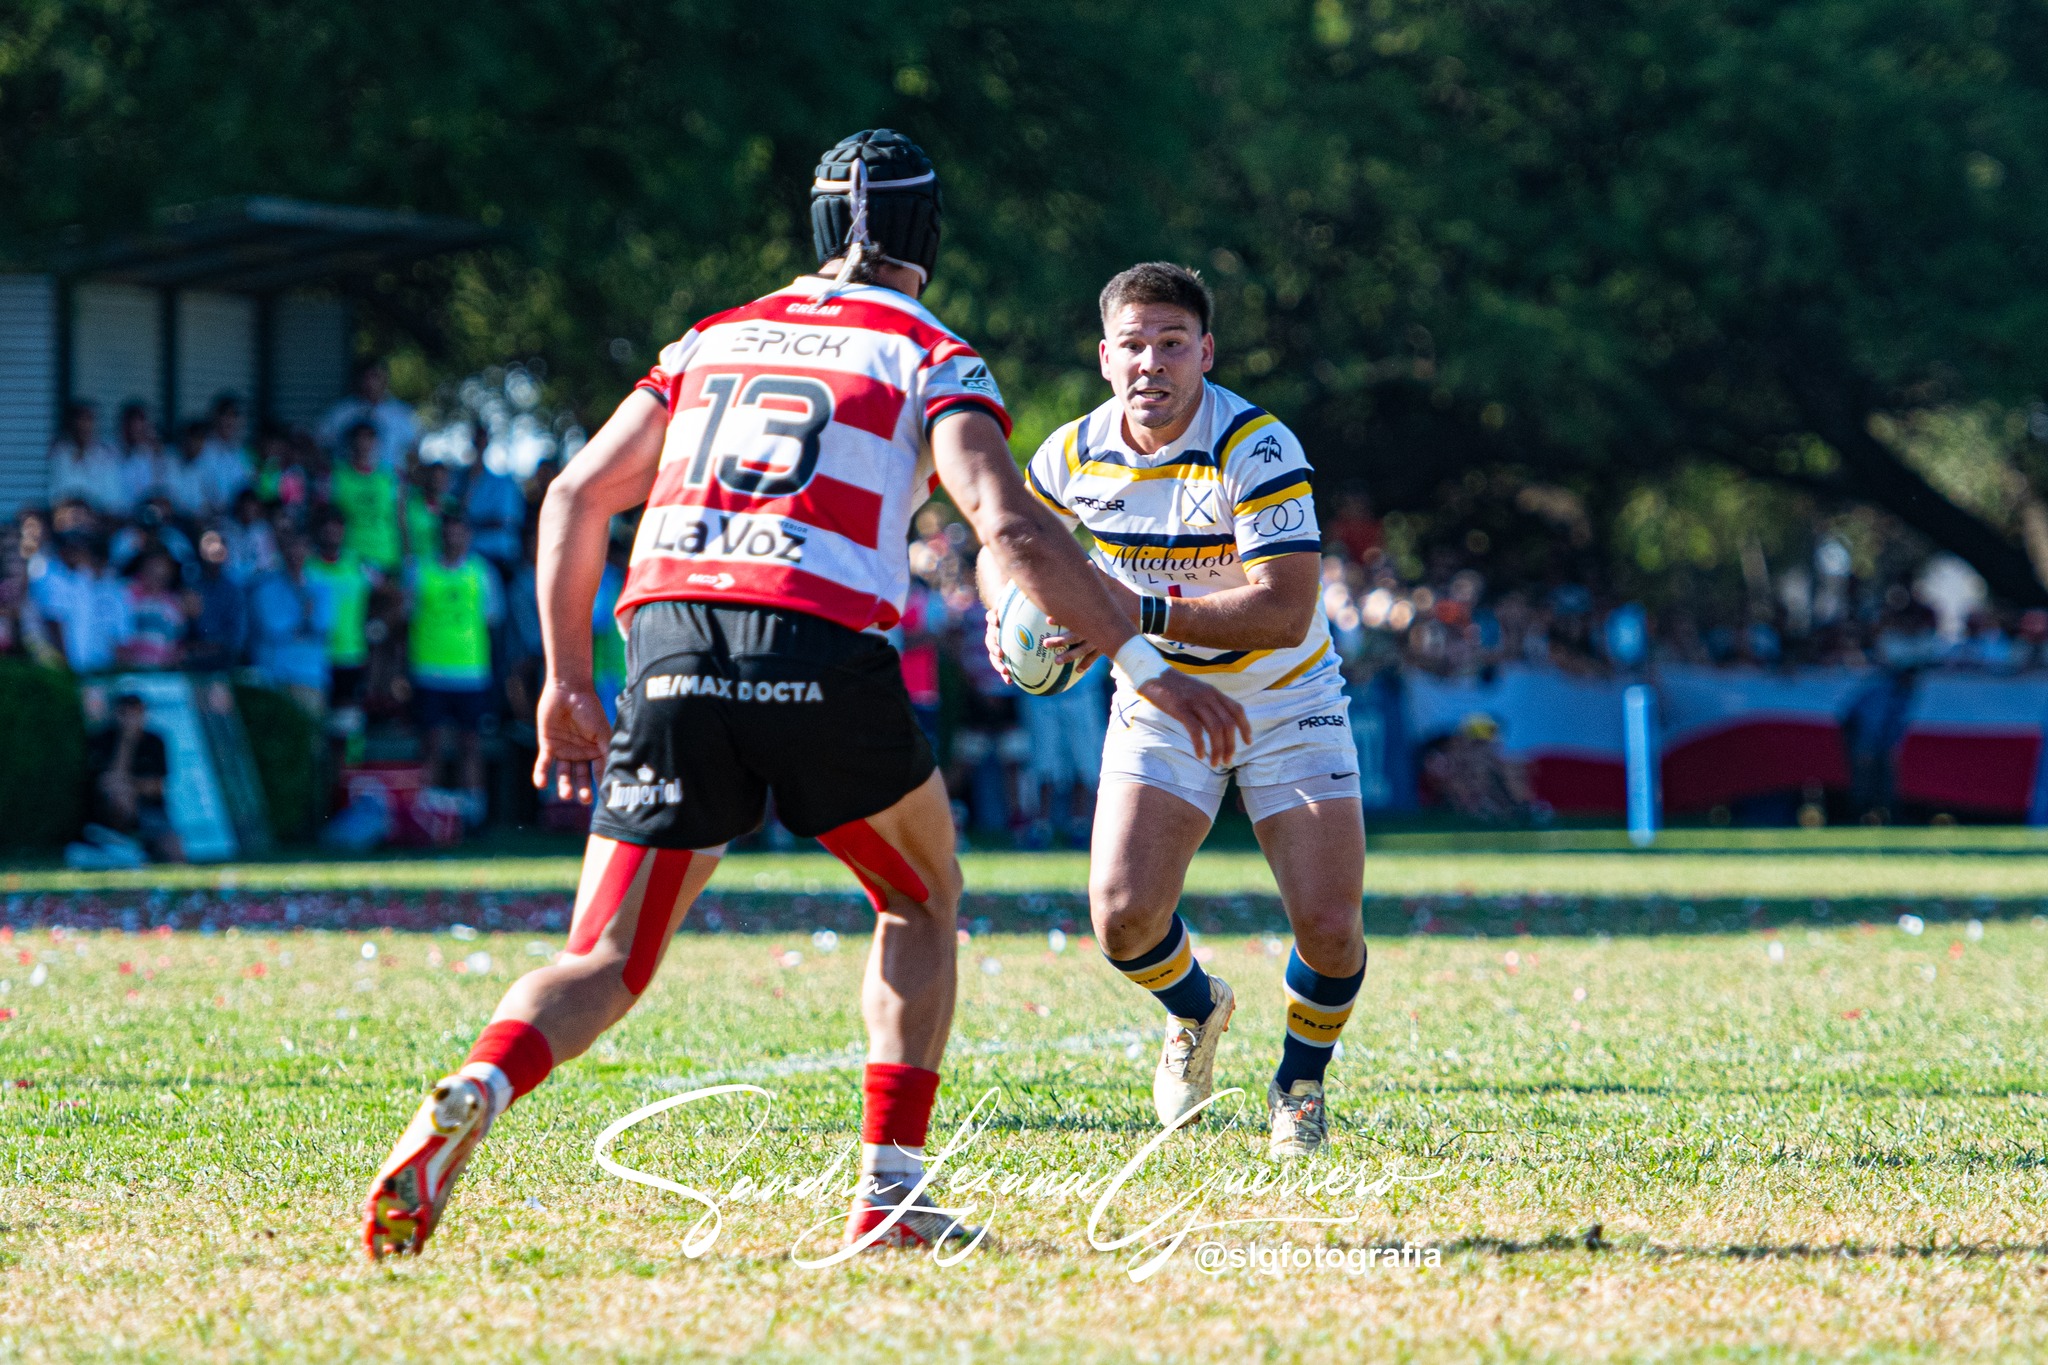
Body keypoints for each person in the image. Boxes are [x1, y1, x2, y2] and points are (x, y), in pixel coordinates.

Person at [360, 129, 1244, 1261]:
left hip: (668, 643)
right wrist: (1139, 663)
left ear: (817, 229)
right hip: (817, 643)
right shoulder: (930, 350)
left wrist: (564, 684)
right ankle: (887, 1195)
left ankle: (480, 1084)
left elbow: (577, 494)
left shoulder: (707, 339)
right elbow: (1008, 522)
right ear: (926, 237)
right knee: (919, 897)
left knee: (607, 960)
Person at [1001, 261, 1364, 1158]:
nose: (1151, 364)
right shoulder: (1074, 451)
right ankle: (1197, 1009)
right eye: (1133, 345)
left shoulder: (1257, 445)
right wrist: (999, 614)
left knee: (1327, 923)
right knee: (1122, 915)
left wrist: (1132, 611)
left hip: (1286, 696)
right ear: (1104, 356)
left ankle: (1299, 1083)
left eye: (1171, 344)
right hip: (1162, 698)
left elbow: (1283, 610)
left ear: (1206, 351)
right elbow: (1009, 537)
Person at [404, 516, 502, 827]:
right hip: (429, 671)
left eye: (460, 534)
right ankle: (427, 811)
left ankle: (473, 814)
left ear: (468, 536)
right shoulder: (420, 571)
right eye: (448, 534)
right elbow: (407, 617)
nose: (454, 541)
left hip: (471, 673)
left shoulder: (482, 573)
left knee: (470, 743)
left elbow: (492, 620)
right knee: (430, 742)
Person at [305, 510, 381, 758]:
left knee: (346, 727)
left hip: (350, 655)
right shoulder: (307, 567)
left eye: (337, 528)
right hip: (314, 657)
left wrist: (378, 626)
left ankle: (348, 781)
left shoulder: (358, 565)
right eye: (327, 528)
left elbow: (392, 595)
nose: (332, 534)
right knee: (315, 724)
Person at [78, 691, 183, 865]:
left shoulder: (155, 741)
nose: (131, 718)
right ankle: (124, 844)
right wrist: (126, 741)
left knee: (174, 848)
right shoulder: (102, 740)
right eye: (126, 712)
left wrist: (129, 786)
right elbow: (106, 784)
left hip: (151, 812)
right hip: (109, 818)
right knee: (119, 796)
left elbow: (158, 786)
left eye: (136, 712)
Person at [248, 530, 334, 716]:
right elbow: (274, 628)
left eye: (301, 547)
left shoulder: (321, 587)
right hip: (276, 678)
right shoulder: (265, 589)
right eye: (291, 547)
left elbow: (323, 626)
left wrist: (306, 622)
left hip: (310, 678)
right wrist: (304, 618)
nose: (295, 553)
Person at [32, 532, 131, 673]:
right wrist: (65, 663)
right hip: (68, 665)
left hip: (96, 666)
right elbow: (54, 622)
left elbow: (117, 633)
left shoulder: (103, 586)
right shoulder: (58, 580)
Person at [329, 421, 405, 570]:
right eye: (359, 438)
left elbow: (400, 518)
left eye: (369, 438)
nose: (363, 444)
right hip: (350, 556)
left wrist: (406, 555)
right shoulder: (336, 476)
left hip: (386, 556)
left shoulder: (390, 477)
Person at [317, 361, 418, 471]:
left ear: (386, 380)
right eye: (366, 377)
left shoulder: (402, 413)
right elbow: (322, 445)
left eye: (376, 376)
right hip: (349, 482)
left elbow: (413, 452)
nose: (371, 382)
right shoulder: (341, 412)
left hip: (389, 483)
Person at [182, 529, 248, 671]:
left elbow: (237, 636)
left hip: (223, 655)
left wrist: (214, 646)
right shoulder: (191, 586)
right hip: (194, 653)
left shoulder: (233, 591)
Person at [47, 401, 123, 512]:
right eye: (79, 420)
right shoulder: (60, 455)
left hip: (99, 519)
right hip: (68, 519)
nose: (83, 426)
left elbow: (113, 500)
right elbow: (56, 497)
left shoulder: (106, 456)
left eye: (88, 420)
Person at [120, 548, 186, 669]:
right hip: (132, 669)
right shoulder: (127, 595)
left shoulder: (173, 604)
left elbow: (177, 642)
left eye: (162, 576)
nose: (157, 580)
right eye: (153, 572)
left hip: (161, 671)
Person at [196, 395, 257, 512]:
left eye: (235, 416)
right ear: (215, 417)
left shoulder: (242, 453)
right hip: (206, 516)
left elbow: (249, 485)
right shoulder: (202, 449)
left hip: (236, 519)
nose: (230, 421)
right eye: (226, 415)